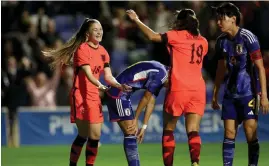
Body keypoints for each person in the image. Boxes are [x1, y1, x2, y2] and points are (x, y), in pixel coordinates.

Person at [42, 18, 132, 166]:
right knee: (84, 135)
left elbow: (108, 75)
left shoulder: (103, 52)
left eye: (101, 29)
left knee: (95, 136)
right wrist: (100, 85)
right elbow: (88, 73)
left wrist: (119, 85)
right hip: (81, 96)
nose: (99, 32)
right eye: (95, 30)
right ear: (87, 33)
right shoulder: (82, 49)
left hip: (94, 96)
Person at [126, 8, 208, 166]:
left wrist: (136, 20)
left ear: (181, 22)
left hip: (179, 87)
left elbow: (151, 36)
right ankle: (195, 162)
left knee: (169, 129)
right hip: (198, 88)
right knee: (193, 130)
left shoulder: (175, 36)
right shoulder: (203, 42)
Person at [211, 3, 269, 166]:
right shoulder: (221, 41)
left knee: (250, 133)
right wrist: (216, 93)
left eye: (221, 19)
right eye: (217, 19)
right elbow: (221, 69)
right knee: (229, 133)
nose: (218, 23)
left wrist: (263, 96)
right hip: (230, 95)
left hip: (249, 93)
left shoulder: (248, 38)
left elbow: (260, 68)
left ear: (233, 19)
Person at [105, 60, 169, 166]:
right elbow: (145, 97)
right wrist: (136, 119)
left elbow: (151, 102)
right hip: (118, 93)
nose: (169, 87)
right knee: (130, 132)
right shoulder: (162, 75)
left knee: (131, 133)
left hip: (122, 94)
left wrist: (143, 126)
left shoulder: (161, 72)